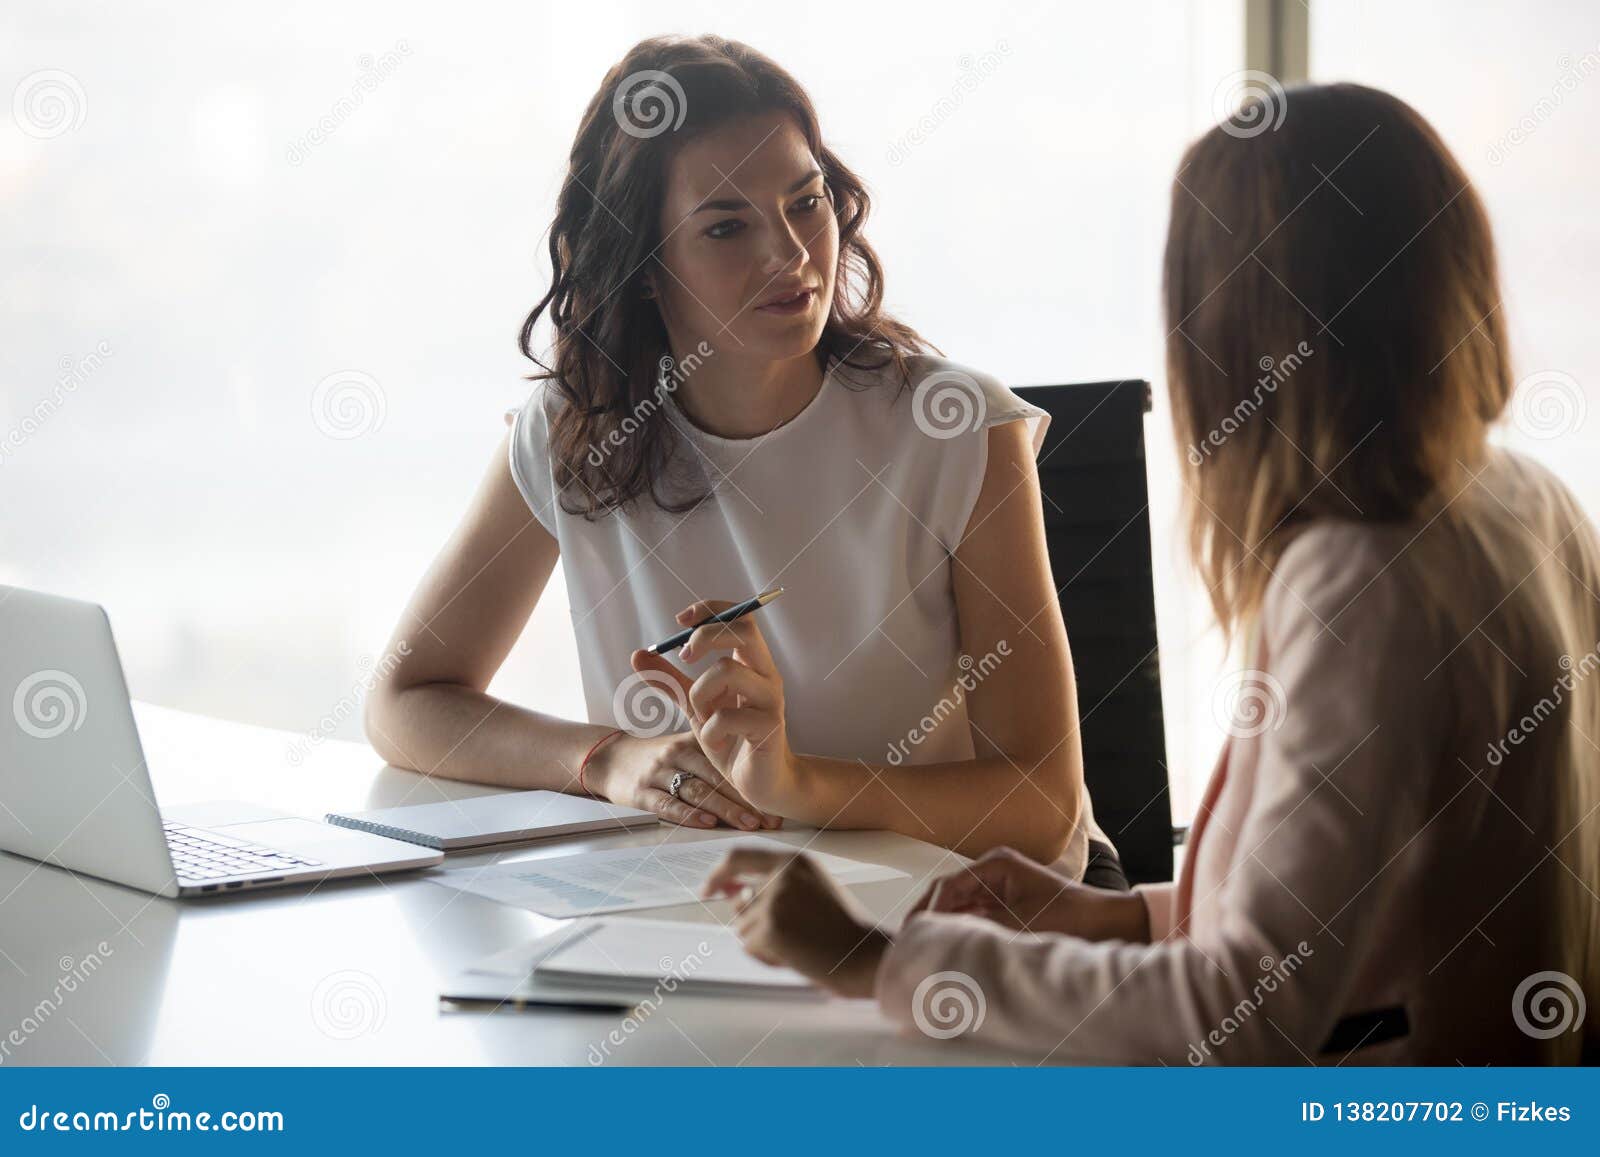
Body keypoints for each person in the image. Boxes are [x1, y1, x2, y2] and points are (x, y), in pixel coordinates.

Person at [703, 83, 1600, 1064]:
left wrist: (873, 957)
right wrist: (1121, 919)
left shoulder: (1358, 579)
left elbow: (1239, 1017)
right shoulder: (1522, 498)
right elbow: (1365, 922)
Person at [364, 34, 1121, 881]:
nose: (792, 255)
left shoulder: (956, 426)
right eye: (727, 226)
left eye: (807, 202)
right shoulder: (576, 430)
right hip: (714, 907)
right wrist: (608, 759)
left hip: (982, 906)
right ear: (644, 267)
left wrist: (797, 783)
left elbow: (1042, 801)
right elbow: (405, 701)